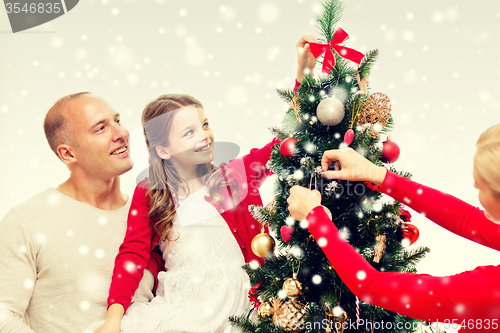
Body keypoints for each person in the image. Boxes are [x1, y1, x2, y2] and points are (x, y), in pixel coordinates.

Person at [93, 35, 318, 333]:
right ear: (163, 150)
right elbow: (132, 253)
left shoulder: (233, 177)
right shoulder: (151, 192)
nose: (205, 137)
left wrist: (304, 76)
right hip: (183, 302)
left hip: (239, 301)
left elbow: (285, 142)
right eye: (189, 133)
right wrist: (113, 318)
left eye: (205, 125)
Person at [286, 123, 500, 332]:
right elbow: (468, 219)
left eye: (480, 184)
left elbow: (369, 285)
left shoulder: (489, 293)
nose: (474, 186)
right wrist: (377, 174)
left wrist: (314, 217)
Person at [0, 92, 164, 333]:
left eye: (117, 121)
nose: (122, 134)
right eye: (100, 128)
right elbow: (4, 315)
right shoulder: (26, 220)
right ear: (68, 153)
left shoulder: (154, 217)